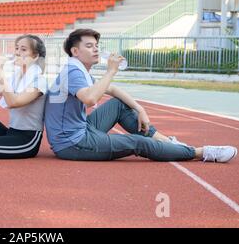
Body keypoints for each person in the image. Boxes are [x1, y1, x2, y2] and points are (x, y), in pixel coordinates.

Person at [44, 29, 237, 163]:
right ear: (75, 51)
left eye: (96, 45)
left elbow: (112, 91)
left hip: (82, 129)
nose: (96, 49)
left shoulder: (78, 69)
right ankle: (199, 153)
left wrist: (140, 109)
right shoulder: (73, 72)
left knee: (119, 105)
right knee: (138, 143)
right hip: (72, 143)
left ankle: (167, 142)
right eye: (89, 46)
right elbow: (90, 99)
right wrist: (111, 71)